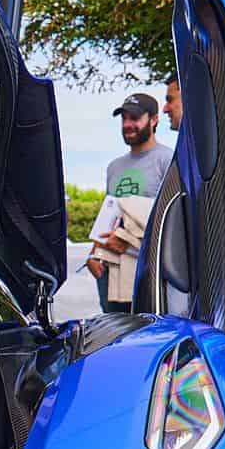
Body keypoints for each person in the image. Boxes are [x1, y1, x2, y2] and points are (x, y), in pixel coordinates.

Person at [91, 92, 172, 312]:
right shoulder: (114, 167)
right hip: (110, 273)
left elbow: (169, 220)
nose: (127, 124)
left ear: (154, 119)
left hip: (145, 271)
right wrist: (94, 253)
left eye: (134, 118)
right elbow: (109, 213)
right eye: (124, 118)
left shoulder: (167, 160)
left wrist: (129, 243)